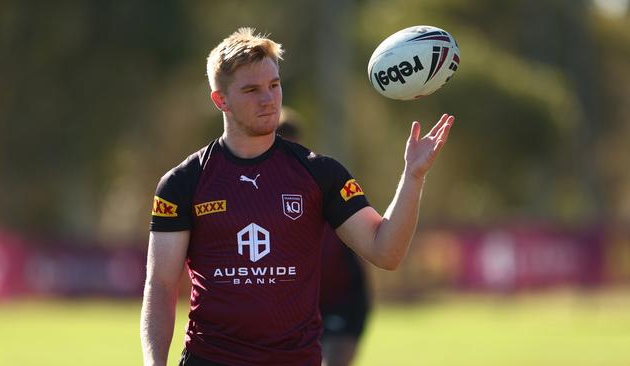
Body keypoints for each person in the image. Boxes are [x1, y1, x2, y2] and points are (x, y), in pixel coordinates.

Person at [140, 27, 456, 366]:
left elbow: (386, 252)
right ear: (221, 100)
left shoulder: (319, 174)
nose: (269, 99)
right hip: (211, 359)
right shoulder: (183, 183)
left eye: (274, 85)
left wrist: (413, 177)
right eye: (251, 90)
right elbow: (161, 283)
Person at [277, 108, 370, 366]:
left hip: (342, 302)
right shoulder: (256, 197)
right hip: (297, 311)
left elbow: (369, 244)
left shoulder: (322, 183)